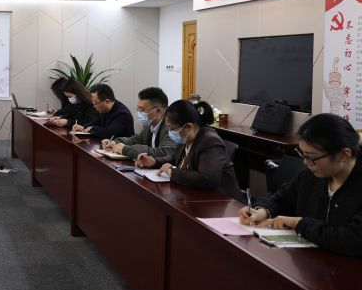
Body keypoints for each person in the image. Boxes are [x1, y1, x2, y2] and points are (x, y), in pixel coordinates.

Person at [240, 113, 362, 257]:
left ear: (344, 155)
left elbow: (352, 240)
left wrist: (299, 223)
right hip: (309, 261)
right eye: (302, 155)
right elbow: (282, 197)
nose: (305, 162)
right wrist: (262, 210)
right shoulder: (312, 176)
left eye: (311, 157)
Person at [135, 99, 241, 200]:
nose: (170, 133)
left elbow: (207, 178)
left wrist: (172, 172)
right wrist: (154, 162)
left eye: (172, 129)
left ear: (189, 127)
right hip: (196, 196)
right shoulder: (187, 137)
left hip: (223, 202)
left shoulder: (210, 141)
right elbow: (174, 158)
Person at [100, 87, 176, 159]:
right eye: (138, 109)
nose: (139, 113)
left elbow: (163, 153)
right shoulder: (149, 124)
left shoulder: (171, 127)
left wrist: (125, 149)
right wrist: (115, 142)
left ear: (158, 111)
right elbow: (136, 140)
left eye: (142, 109)